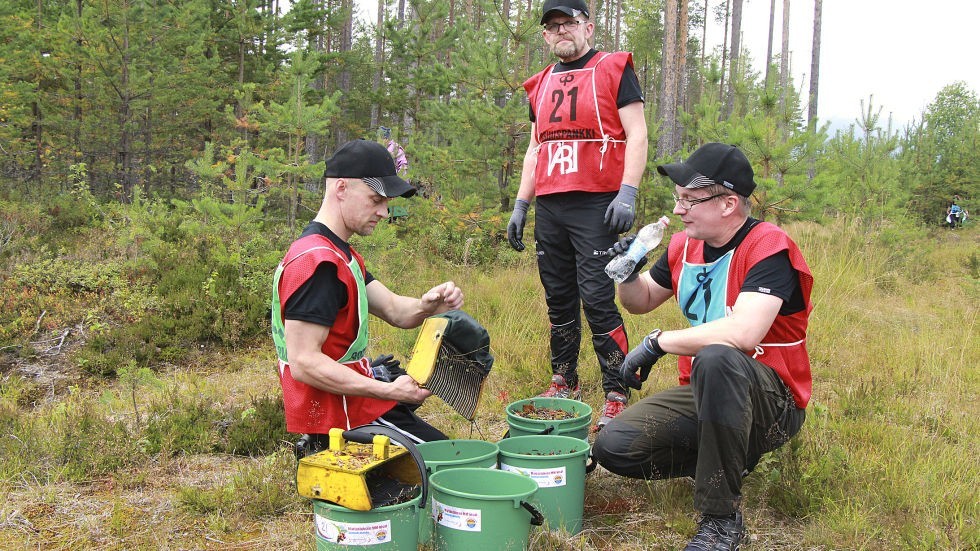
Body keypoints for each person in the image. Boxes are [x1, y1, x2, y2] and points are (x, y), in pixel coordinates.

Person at [591, 143, 814, 550]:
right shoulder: (683, 246)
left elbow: (743, 333)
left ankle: (721, 518)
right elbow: (640, 302)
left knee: (717, 356)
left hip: (773, 401)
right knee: (614, 448)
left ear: (729, 203)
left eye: (690, 200)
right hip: (708, 392)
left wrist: (658, 344)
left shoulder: (769, 248)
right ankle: (723, 459)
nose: (679, 210)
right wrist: (627, 271)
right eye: (678, 199)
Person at [506, 0, 648, 430]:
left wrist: (628, 191)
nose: (561, 31)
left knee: (599, 298)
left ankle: (617, 388)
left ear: (588, 27)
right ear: (546, 36)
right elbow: (536, 148)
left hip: (597, 203)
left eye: (569, 23)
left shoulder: (614, 69)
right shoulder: (541, 83)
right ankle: (564, 378)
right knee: (559, 297)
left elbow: (638, 133)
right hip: (551, 205)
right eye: (553, 26)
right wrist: (521, 204)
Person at [271, 139, 464, 456]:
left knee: (451, 456)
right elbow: (304, 363)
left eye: (386, 202)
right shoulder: (319, 264)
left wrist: (427, 305)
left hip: (357, 405)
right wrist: (388, 390)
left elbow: (394, 310)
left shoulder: (339, 254)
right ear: (342, 189)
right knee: (455, 465)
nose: (384, 212)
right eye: (376, 200)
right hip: (341, 421)